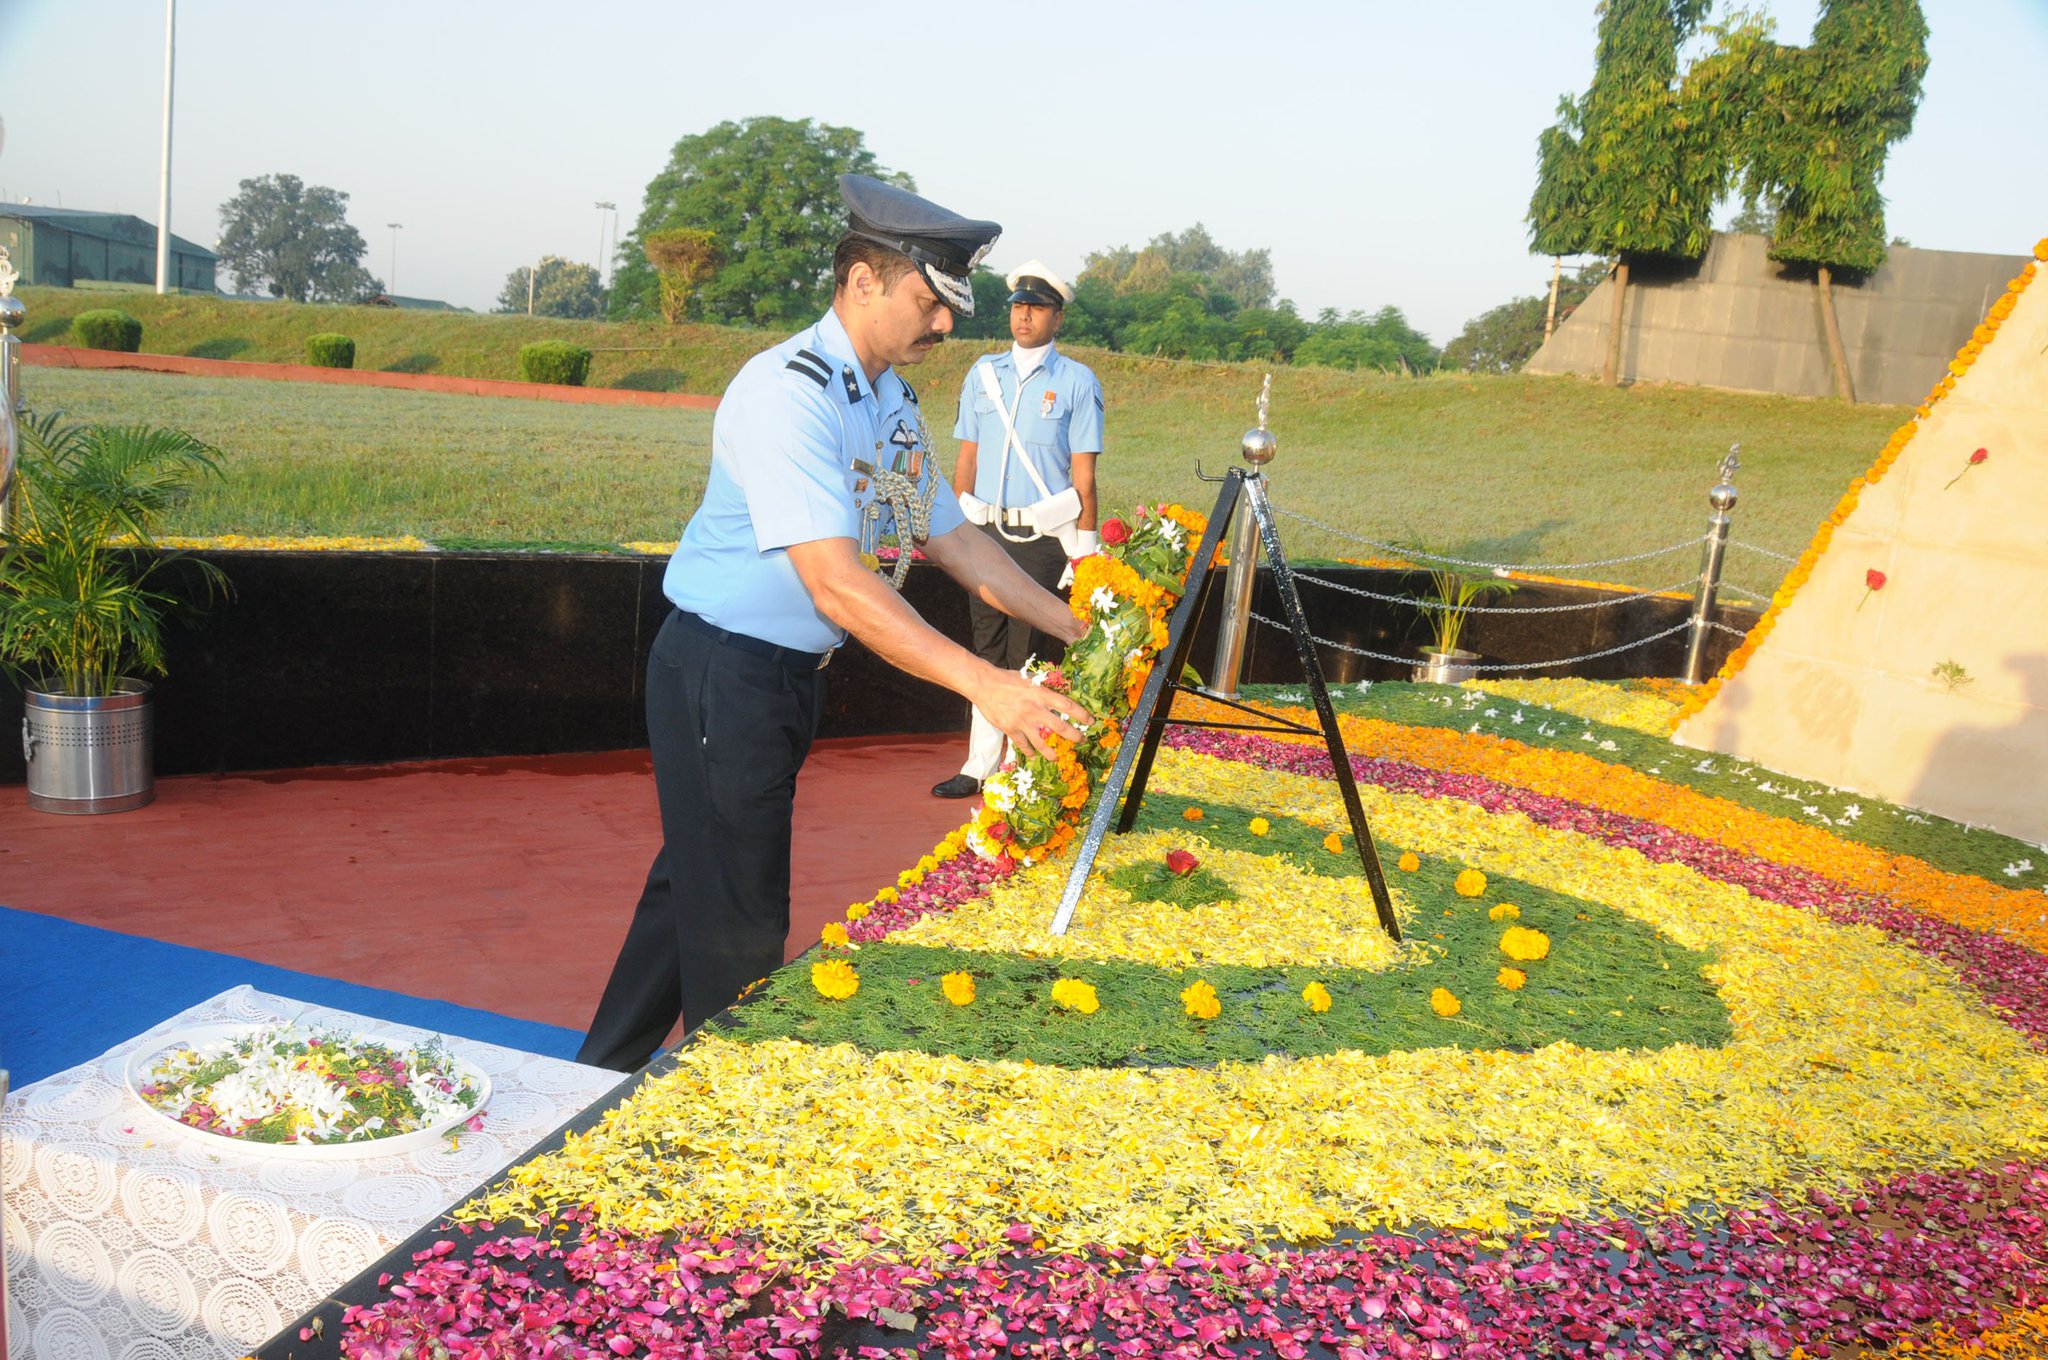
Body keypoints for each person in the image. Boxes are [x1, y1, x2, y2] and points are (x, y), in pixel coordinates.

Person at [577, 176, 1094, 1072]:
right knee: (740, 921)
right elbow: (837, 585)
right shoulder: (789, 392)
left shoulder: (888, 398)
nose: (946, 324)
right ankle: (726, 1112)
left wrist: (1083, 628)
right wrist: (988, 686)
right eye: (930, 302)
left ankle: (593, 1077)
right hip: (722, 672)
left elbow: (955, 541)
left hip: (780, 677)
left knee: (696, 885)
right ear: (862, 281)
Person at [930, 260, 1104, 800]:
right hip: (985, 533)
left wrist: (1087, 553)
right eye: (1018, 306)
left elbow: (1084, 477)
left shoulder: (1076, 382)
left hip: (1042, 540)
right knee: (986, 648)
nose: (1024, 315)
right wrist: (954, 526)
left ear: (1058, 318)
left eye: (1037, 308)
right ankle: (979, 765)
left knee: (1030, 656)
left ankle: (1018, 767)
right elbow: (967, 458)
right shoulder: (983, 374)